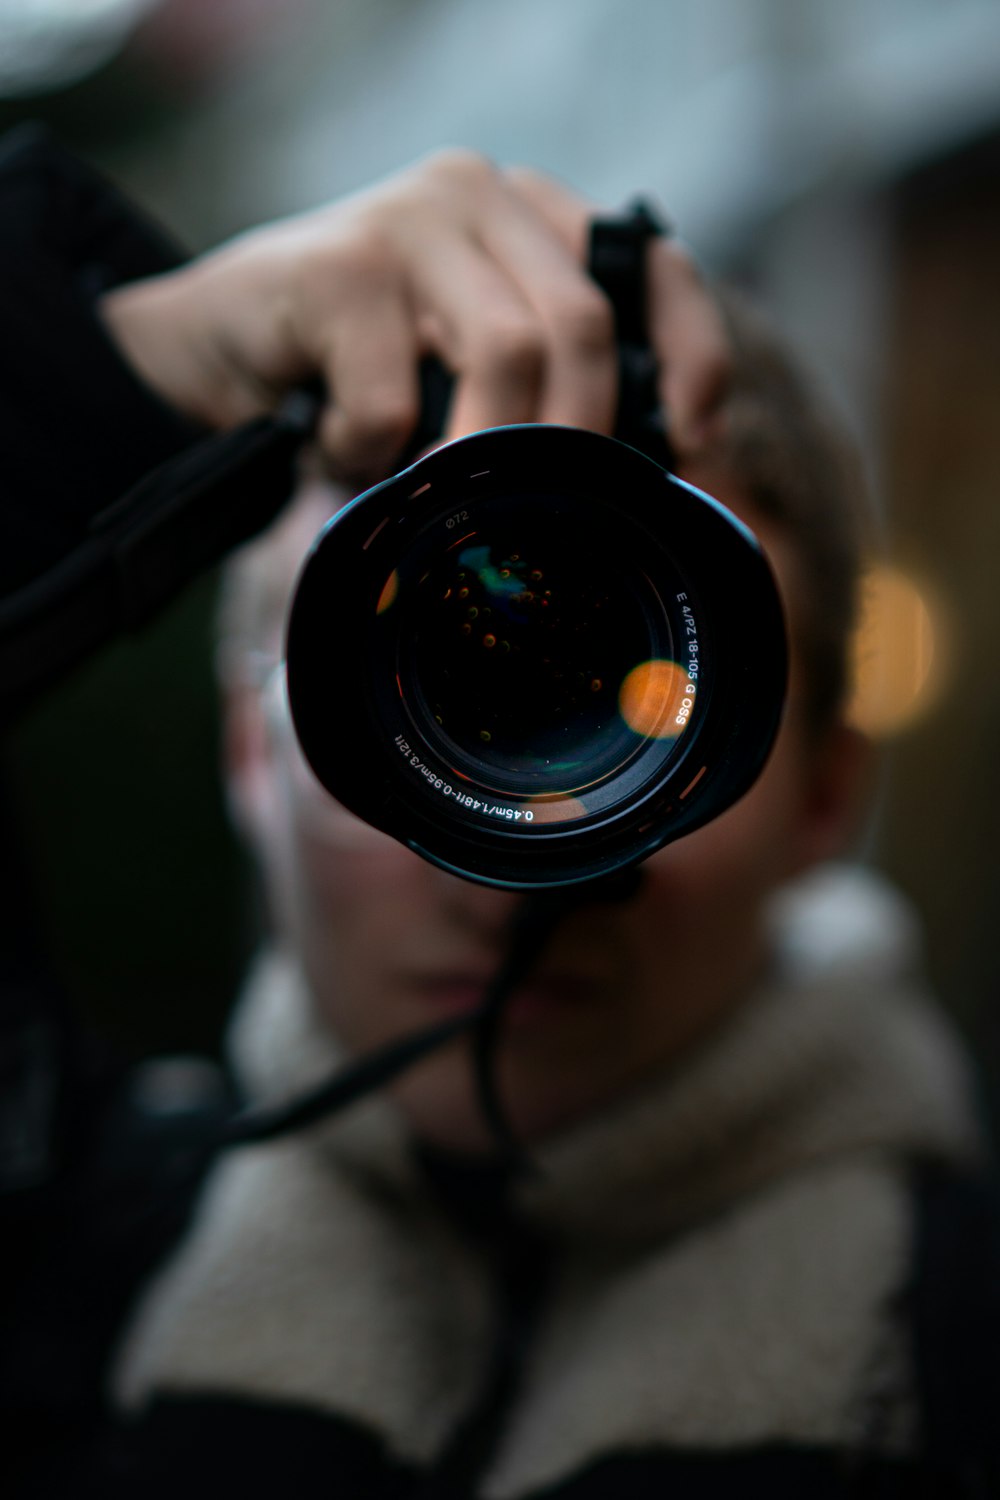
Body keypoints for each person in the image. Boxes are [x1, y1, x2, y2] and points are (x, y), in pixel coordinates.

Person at [2, 130, 998, 1497]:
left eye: (618, 720)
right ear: (249, 745)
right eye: (442, 709)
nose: (508, 873)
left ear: (827, 792)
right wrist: (101, 382)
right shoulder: (50, 1257)